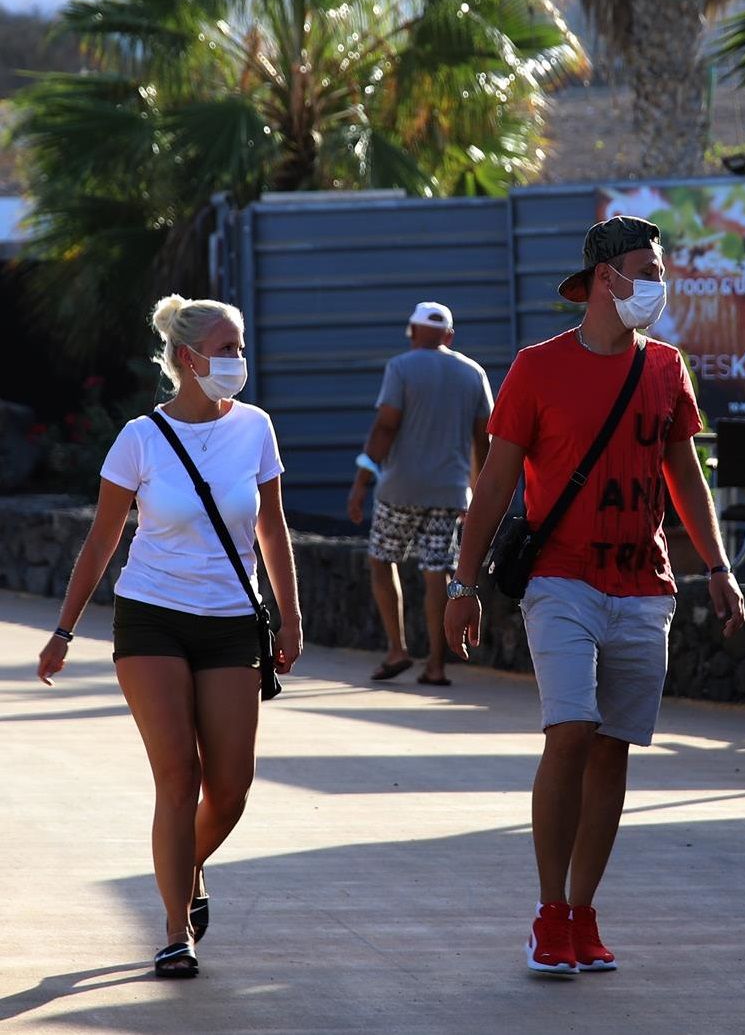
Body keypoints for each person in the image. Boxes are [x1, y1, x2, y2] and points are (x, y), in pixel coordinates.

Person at [444, 215, 745, 977]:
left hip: (644, 585)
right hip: (561, 579)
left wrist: (718, 563)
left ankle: (583, 910)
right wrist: (463, 581)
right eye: (645, 268)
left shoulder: (666, 368)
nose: (657, 282)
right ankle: (549, 912)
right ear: (603, 278)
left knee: (613, 746)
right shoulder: (537, 368)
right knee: (571, 729)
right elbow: (495, 483)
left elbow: (684, 474)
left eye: (660, 269)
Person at [36, 295, 303, 979]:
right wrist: (64, 629)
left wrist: (292, 615)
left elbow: (272, 527)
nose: (237, 360)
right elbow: (101, 540)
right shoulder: (140, 438)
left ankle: (186, 862)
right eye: (225, 347)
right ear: (187, 358)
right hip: (152, 616)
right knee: (179, 775)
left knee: (233, 785)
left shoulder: (256, 429)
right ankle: (174, 927)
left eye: (240, 346)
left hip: (231, 622)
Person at [347, 301, 492, 685]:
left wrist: (362, 482)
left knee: (381, 560)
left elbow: (385, 426)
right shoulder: (473, 373)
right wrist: (478, 497)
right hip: (450, 494)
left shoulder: (401, 367)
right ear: (450, 336)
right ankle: (436, 665)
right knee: (436, 572)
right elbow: (484, 441)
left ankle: (397, 649)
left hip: (399, 490)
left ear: (412, 332)